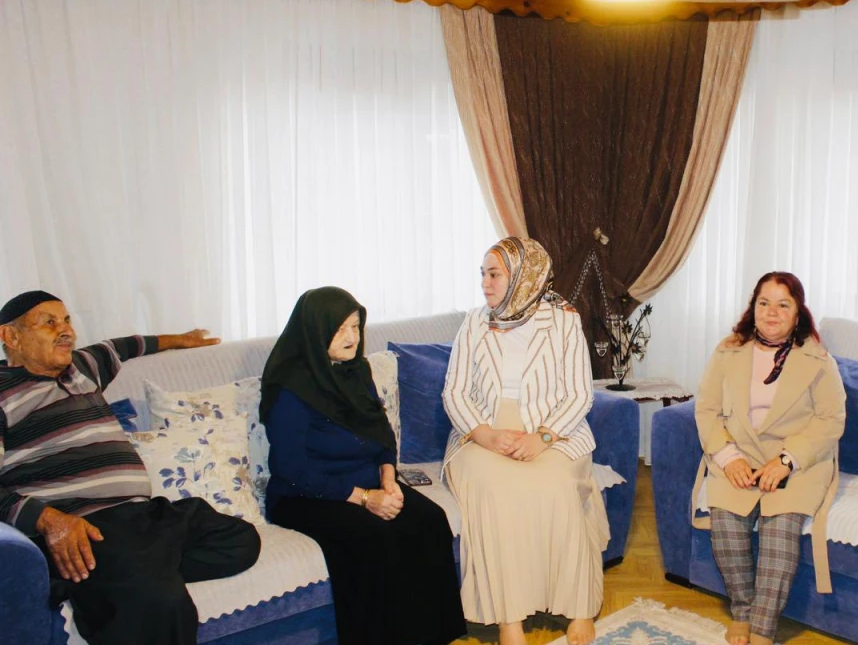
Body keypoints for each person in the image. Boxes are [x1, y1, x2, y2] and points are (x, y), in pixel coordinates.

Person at [0, 289, 259, 645]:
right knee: (162, 602)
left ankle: (112, 580)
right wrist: (47, 520)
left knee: (239, 542)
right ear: (11, 336)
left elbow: (124, 346)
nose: (66, 331)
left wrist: (180, 340)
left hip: (144, 517)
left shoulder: (82, 367)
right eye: (49, 322)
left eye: (67, 320)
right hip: (88, 524)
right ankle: (128, 579)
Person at [261, 286, 465, 645]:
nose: (352, 337)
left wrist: (389, 481)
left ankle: (435, 636)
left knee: (430, 521)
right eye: (340, 329)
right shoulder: (290, 387)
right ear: (316, 330)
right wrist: (365, 498)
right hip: (305, 494)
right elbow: (292, 468)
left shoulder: (357, 370)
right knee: (373, 538)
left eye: (355, 326)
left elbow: (382, 433)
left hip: (369, 481)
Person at [442, 237, 608, 645]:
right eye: (482, 274)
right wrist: (485, 434)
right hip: (481, 430)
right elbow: (454, 392)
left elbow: (579, 395)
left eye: (494, 274)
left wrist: (542, 438)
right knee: (493, 490)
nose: (485, 284)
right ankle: (509, 620)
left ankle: (579, 608)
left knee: (556, 486)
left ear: (523, 276)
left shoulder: (564, 320)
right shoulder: (474, 322)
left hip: (554, 429)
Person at [693, 272, 846, 645]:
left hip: (796, 461)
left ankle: (762, 629)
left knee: (780, 533)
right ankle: (743, 612)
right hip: (738, 454)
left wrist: (787, 460)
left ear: (798, 312)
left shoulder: (817, 358)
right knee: (727, 527)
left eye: (783, 304)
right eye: (764, 303)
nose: (772, 312)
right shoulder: (728, 350)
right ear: (753, 307)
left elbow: (831, 419)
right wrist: (728, 457)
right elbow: (707, 410)